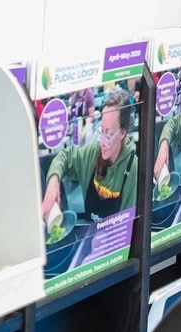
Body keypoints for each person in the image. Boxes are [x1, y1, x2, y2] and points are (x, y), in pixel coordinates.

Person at [40, 86, 136, 227]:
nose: (103, 142)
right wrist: (53, 181)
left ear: (122, 133)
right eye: (101, 131)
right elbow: (65, 157)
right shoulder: (93, 152)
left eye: (109, 134)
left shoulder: (132, 166)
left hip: (115, 241)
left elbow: (128, 227)